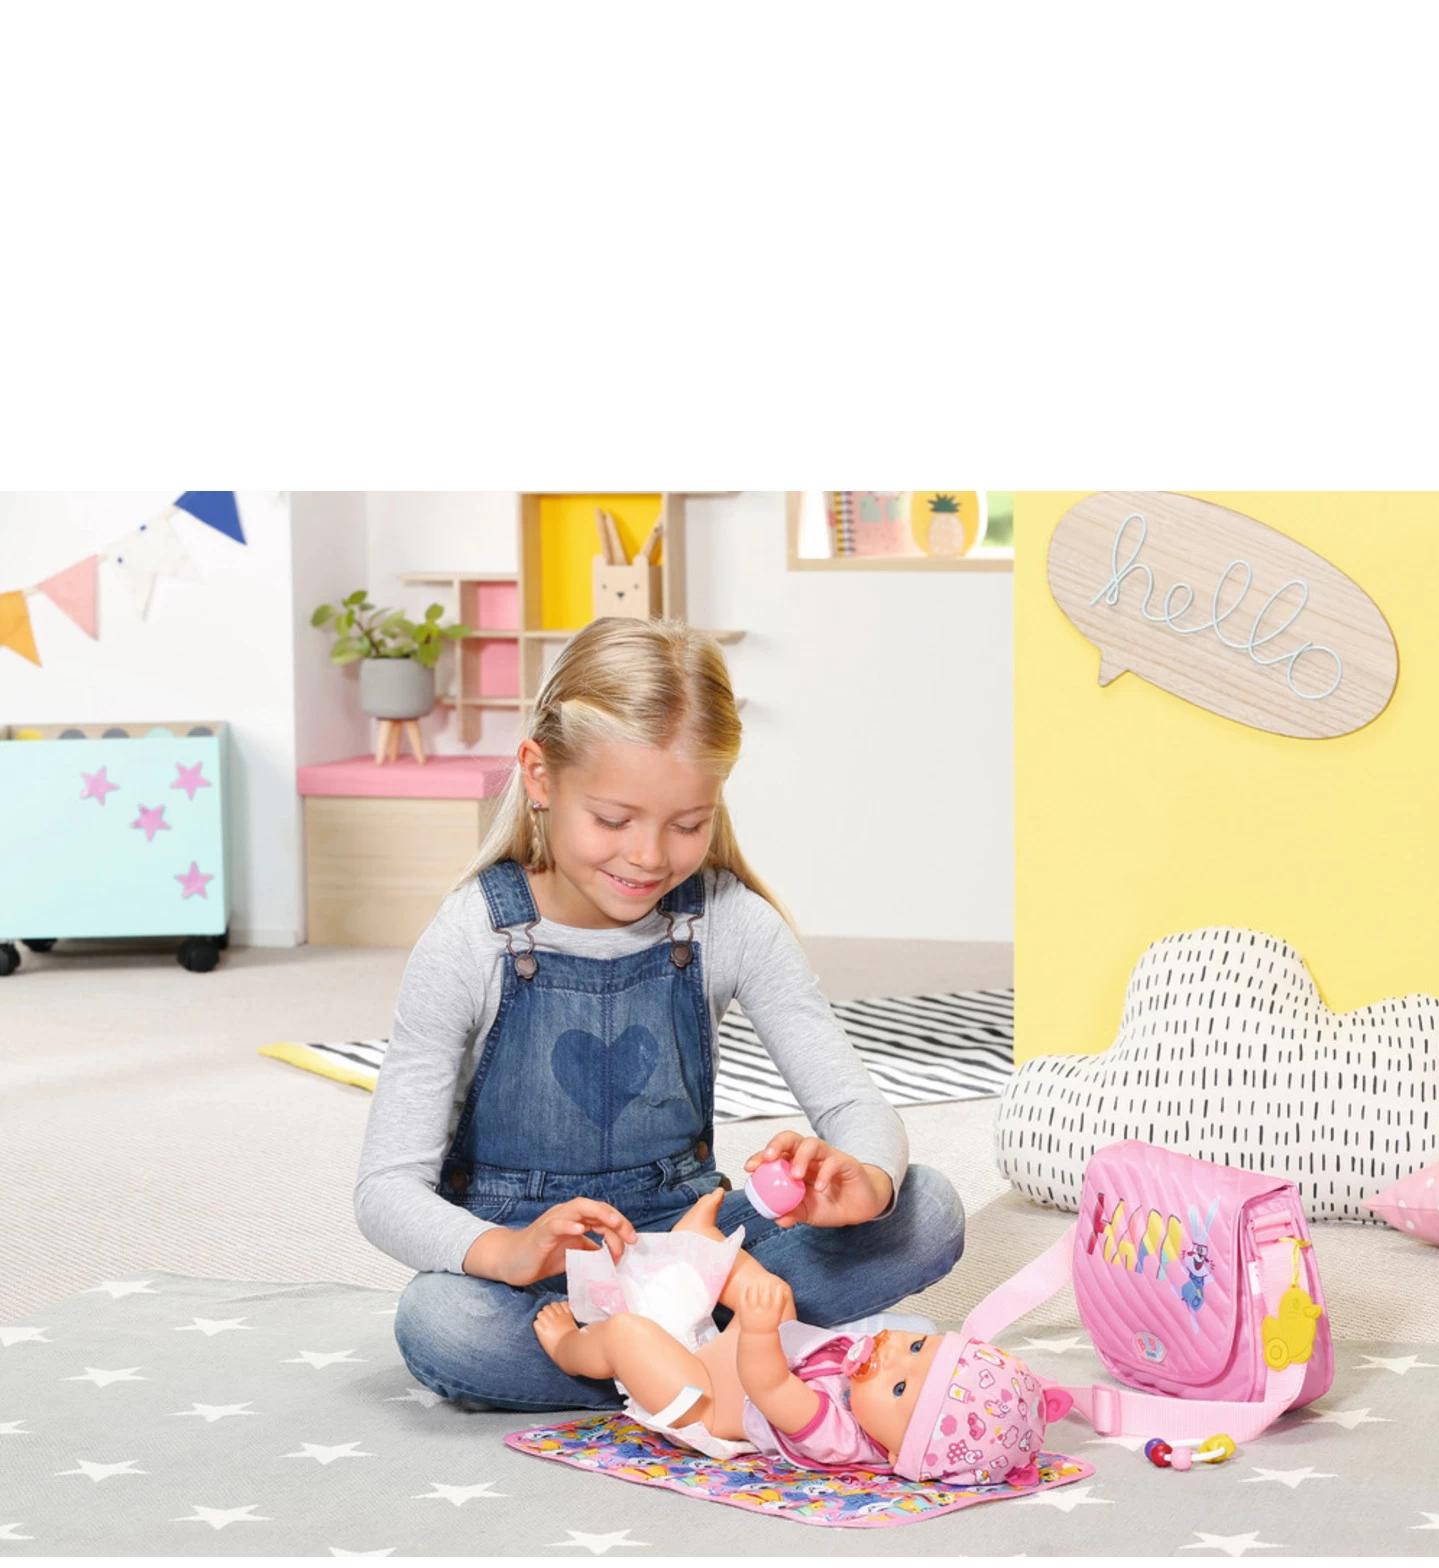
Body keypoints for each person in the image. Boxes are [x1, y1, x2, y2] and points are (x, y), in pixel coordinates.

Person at [355, 615, 966, 1410]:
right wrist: (506, 1251)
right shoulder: (470, 937)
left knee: (926, 1211)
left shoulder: (729, 921)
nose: (648, 856)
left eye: (687, 825)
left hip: (696, 1259)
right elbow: (386, 1190)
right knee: (442, 1323)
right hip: (543, 1283)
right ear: (539, 776)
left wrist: (865, 1181)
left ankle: (661, 1364)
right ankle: (715, 1361)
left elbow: (852, 1104)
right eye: (613, 820)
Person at [532, 1189, 1069, 1488]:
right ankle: (699, 1243)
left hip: (702, 1400)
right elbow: (798, 1345)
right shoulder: (867, 1391)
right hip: (738, 1359)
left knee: (628, 1334)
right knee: (775, 1294)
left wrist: (759, 1330)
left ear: (893, 1452)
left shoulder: (836, 1435)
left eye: (900, 1389)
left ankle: (572, 1349)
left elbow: (768, 1386)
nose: (890, 1360)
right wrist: (767, 1319)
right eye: (914, 1349)